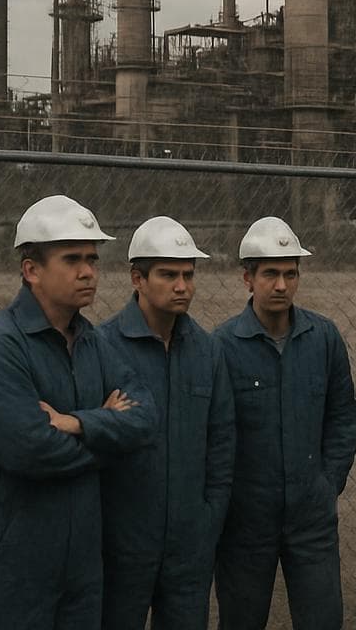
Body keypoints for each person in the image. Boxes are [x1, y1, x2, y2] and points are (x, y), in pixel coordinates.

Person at [0, 194, 156, 630]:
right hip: (12, 565)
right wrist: (108, 435)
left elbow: (144, 416)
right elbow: (30, 450)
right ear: (31, 270)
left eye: (92, 259)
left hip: (82, 566)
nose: (88, 271)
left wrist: (77, 423)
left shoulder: (93, 342)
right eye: (72, 259)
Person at [214, 216, 356, 630]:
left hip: (311, 517)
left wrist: (328, 482)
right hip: (246, 522)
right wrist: (229, 500)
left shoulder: (324, 338)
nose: (281, 285)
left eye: (290, 274)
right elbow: (213, 435)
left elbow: (343, 415)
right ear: (248, 278)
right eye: (270, 274)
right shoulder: (222, 346)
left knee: (322, 619)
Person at [98, 215, 235, 630]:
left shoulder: (208, 351)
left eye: (188, 275)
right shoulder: (102, 347)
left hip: (189, 547)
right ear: (137, 278)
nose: (182, 286)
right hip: (121, 546)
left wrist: (209, 518)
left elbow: (221, 441)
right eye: (168, 275)